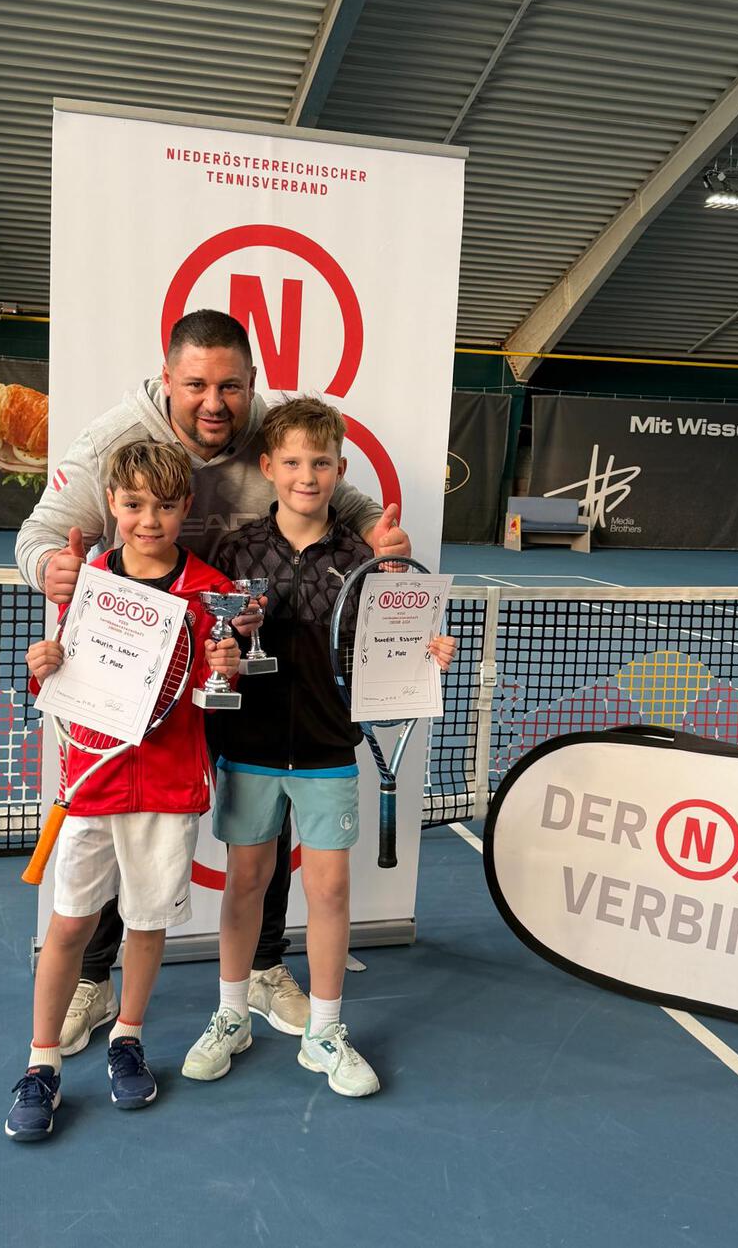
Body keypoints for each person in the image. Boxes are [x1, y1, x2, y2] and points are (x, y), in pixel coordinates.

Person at [15, 309, 411, 1055]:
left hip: (232, 659)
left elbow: (342, 497)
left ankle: (262, 968)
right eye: (195, 384)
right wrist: (52, 568)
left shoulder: (272, 432)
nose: (214, 401)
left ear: (252, 384)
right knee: (119, 813)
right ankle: (95, 981)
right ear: (167, 378)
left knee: (265, 827)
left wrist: (378, 538)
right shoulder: (109, 441)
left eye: (230, 386)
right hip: (131, 668)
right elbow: (39, 536)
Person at [181, 397, 455, 1096]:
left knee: (330, 889)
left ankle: (326, 1031)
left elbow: (385, 653)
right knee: (246, 881)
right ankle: (231, 1014)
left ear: (341, 468)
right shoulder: (235, 552)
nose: (308, 476)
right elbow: (214, 644)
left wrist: (427, 653)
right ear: (268, 468)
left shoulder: (366, 559)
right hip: (249, 746)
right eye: (294, 462)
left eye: (322, 463)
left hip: (329, 748)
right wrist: (224, 650)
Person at [6, 442, 240, 1140]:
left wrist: (227, 668)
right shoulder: (86, 582)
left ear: (186, 507)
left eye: (165, 506)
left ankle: (127, 1037)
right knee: (69, 925)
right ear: (112, 503)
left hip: (166, 789)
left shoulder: (209, 592)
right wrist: (41, 663)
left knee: (145, 922)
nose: (149, 520)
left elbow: (210, 691)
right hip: (93, 782)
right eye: (134, 505)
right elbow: (64, 677)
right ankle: (41, 1061)